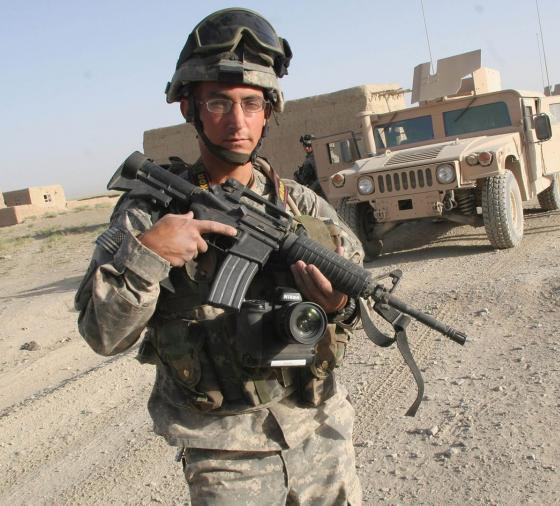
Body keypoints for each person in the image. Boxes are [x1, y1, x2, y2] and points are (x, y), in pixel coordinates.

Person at [75, 8, 364, 504]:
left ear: (269, 111)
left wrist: (338, 303)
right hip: (225, 453)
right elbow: (102, 335)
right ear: (189, 108)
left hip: (321, 429)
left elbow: (354, 298)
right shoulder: (151, 214)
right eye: (218, 103)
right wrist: (149, 255)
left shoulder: (303, 205)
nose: (237, 122)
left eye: (251, 104)